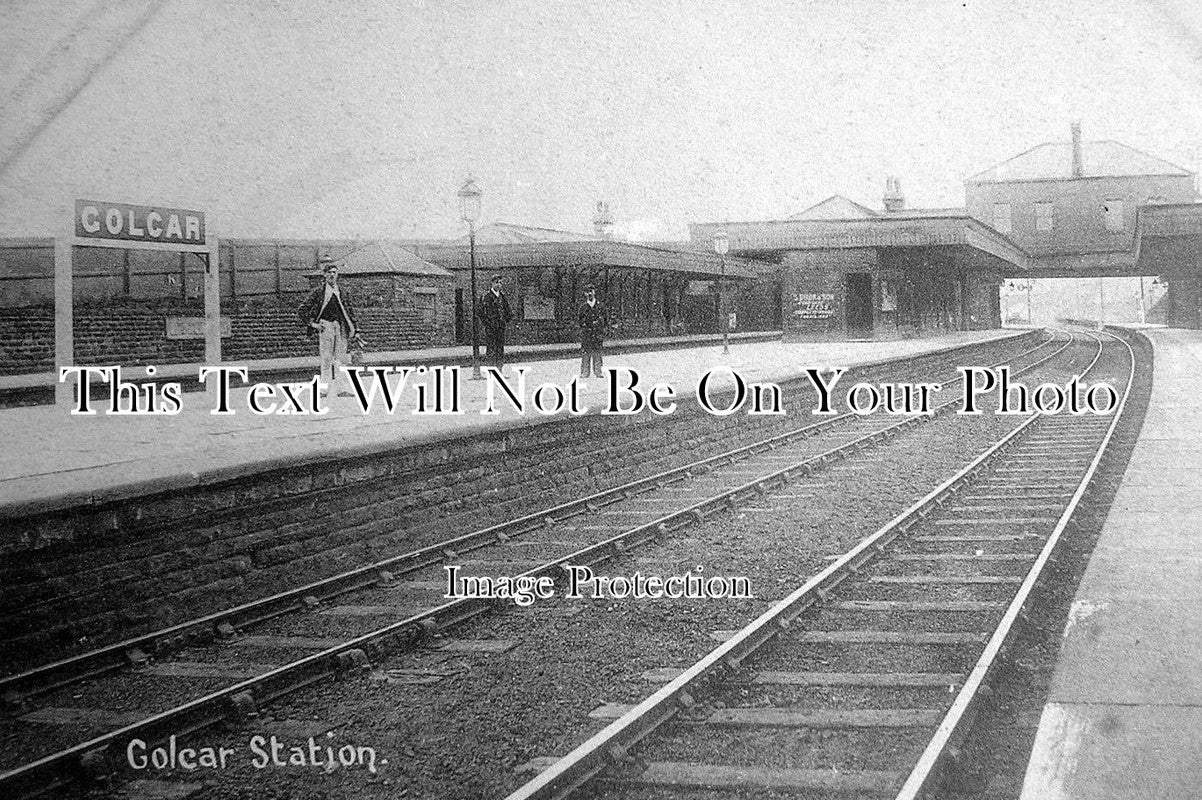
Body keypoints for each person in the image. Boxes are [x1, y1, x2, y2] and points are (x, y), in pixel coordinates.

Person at [298, 255, 358, 397]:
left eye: (334, 272)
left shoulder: (342, 292)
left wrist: (356, 330)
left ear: (337, 275)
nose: (332, 275)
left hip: (341, 327)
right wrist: (313, 324)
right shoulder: (318, 292)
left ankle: (342, 389)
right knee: (326, 359)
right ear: (324, 275)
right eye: (329, 272)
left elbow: (350, 312)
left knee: (340, 359)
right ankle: (323, 389)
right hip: (326, 326)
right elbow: (302, 310)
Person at [478, 273, 513, 370]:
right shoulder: (487, 296)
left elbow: (508, 310)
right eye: (496, 282)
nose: (498, 285)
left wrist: (505, 320)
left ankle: (499, 369)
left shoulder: (502, 296)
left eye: (500, 283)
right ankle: (491, 370)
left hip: (500, 326)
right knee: (491, 348)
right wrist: (487, 323)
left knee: (500, 348)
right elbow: (480, 312)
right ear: (492, 283)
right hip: (491, 327)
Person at [577, 284, 609, 378]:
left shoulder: (601, 306)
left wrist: (600, 326)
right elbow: (580, 321)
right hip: (587, 334)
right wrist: (587, 325)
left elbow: (605, 320)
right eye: (587, 292)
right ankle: (585, 372)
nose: (589, 294)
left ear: (594, 292)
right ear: (585, 294)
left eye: (591, 291)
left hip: (597, 333)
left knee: (597, 353)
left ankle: (598, 371)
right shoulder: (583, 307)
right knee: (586, 353)